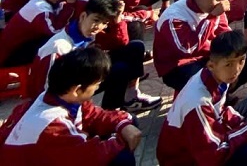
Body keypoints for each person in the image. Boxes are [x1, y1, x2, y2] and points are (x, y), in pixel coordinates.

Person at [0, 48, 142, 165]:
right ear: (77, 90)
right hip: (55, 156)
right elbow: (90, 155)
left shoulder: (59, 97)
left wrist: (122, 124)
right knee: (122, 158)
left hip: (58, 155)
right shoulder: (52, 126)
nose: (98, 88)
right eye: (97, 84)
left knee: (128, 123)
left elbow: (93, 115)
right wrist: (120, 140)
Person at [157, 31, 247, 166]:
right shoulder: (198, 102)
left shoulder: (216, 76)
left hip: (209, 137)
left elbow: (221, 110)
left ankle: (246, 146)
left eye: (241, 60)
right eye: (229, 64)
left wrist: (244, 125)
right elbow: (213, 155)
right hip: (192, 159)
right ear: (211, 65)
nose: (236, 70)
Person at [154, 0, 247, 92]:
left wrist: (235, 63)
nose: (220, 4)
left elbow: (223, 33)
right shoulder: (173, 17)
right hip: (178, 65)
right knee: (205, 81)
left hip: (207, 55)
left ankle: (222, 94)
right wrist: (212, 17)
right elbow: (188, 49)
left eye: (223, 0)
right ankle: (205, 97)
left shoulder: (214, 8)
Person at [0, 0, 78, 67]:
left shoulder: (47, 0)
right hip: (9, 53)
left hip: (19, 47)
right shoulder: (40, 8)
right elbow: (55, 31)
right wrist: (70, 5)